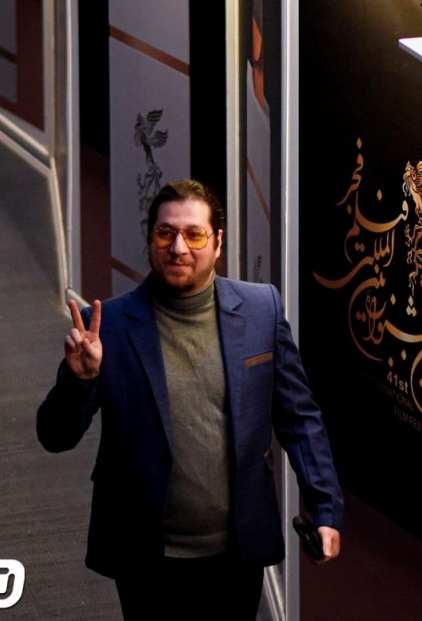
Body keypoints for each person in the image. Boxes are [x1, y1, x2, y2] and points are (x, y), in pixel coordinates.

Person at [37, 179, 343, 618]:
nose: (178, 248)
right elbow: (55, 436)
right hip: (145, 556)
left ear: (217, 243)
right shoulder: (108, 327)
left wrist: (325, 508)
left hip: (237, 552)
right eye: (165, 233)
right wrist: (80, 379)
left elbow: (299, 418)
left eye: (194, 234)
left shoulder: (262, 309)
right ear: (149, 242)